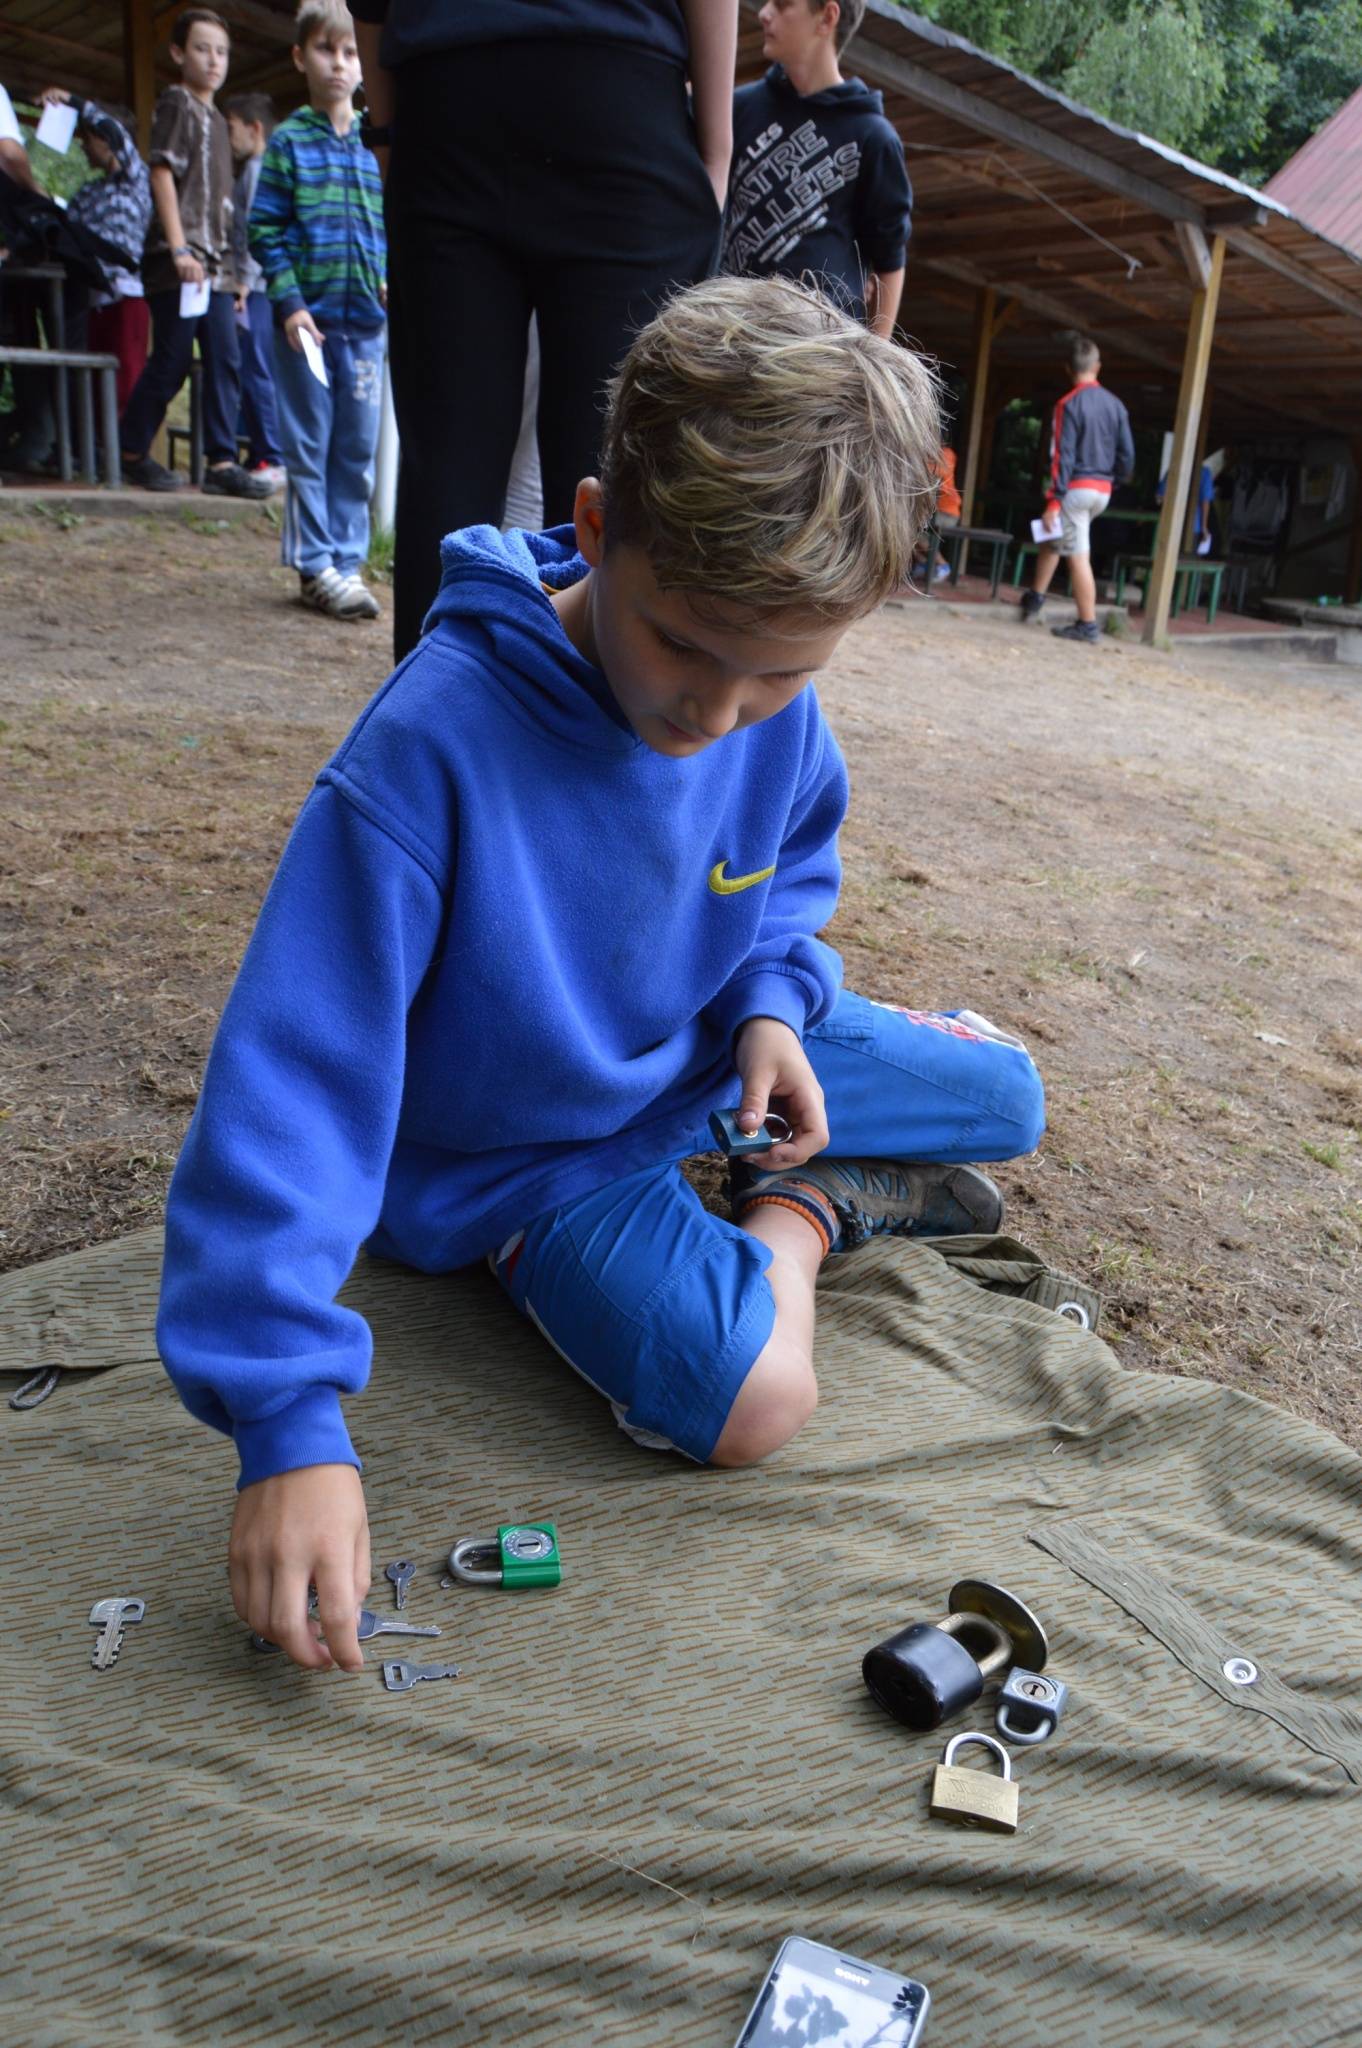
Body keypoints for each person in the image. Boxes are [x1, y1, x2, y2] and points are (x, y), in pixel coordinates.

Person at [156, 275, 1045, 1674]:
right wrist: (286, 1424)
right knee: (758, 1400)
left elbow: (784, 869)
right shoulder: (428, 755)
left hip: (709, 1053)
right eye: (683, 644)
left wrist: (769, 1005)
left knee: (1010, 1101)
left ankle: (794, 1126)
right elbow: (294, 1079)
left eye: (778, 676)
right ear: (592, 527)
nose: (718, 711)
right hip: (534, 1161)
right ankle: (809, 1204)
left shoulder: (760, 701)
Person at [351, 0, 737, 661]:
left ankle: (436, 718)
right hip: (617, 96)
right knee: (612, 469)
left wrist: (388, 135)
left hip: (447, 97)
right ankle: (581, 720)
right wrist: (716, 149)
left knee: (450, 466)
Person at [249, 3, 386, 621]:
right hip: (307, 328)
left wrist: (391, 279)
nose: (339, 64)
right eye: (327, 50)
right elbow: (265, 229)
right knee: (310, 445)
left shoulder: (376, 138)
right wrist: (290, 302)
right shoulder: (289, 142)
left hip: (367, 329)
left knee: (355, 449)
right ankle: (315, 564)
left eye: (351, 52)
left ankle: (347, 563)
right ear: (300, 57)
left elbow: (394, 223)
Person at [118, 8, 275, 497]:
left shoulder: (219, 121)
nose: (213, 60)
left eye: (222, 52)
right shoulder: (176, 104)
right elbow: (161, 173)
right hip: (179, 262)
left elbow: (226, 208)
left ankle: (221, 461)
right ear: (178, 53)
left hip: (217, 268)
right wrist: (179, 247)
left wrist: (238, 275)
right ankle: (131, 450)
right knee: (172, 358)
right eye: (202, 49)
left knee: (226, 358)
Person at [723, 0, 911, 340]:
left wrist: (874, 357)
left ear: (827, 17)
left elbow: (890, 260)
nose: (764, 13)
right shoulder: (737, 108)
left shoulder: (874, 137)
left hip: (820, 348)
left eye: (782, 4)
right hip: (729, 331)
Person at [35, 89, 152, 414]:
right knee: (93, 391)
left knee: (126, 384)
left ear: (106, 140)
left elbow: (115, 131)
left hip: (124, 297)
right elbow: (64, 230)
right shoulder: (88, 192)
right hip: (89, 302)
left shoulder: (135, 178)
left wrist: (71, 101)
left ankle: (127, 444)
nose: (83, 146)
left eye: (87, 138)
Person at [1020, 335, 1134, 644]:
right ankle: (1036, 597)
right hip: (1102, 490)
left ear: (1068, 369)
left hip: (1075, 489)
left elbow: (1062, 457)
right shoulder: (1116, 405)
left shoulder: (1067, 404)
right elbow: (1127, 454)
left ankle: (1088, 624)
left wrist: (1054, 501)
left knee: (1078, 555)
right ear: (1097, 366)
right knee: (1055, 536)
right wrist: (1114, 480)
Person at [223, 92, 285, 488]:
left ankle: (271, 456)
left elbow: (253, 231)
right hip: (265, 287)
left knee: (256, 369)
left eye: (232, 128)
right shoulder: (267, 170)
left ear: (255, 128)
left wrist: (243, 281)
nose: (229, 139)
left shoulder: (257, 171)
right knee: (261, 369)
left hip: (256, 288)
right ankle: (265, 451)